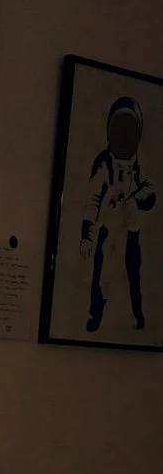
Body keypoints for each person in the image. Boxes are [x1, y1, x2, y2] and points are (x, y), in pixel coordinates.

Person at [81, 96, 156, 334]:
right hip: (108, 226)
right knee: (101, 270)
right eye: (119, 129)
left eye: (129, 130)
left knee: (133, 271)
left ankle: (137, 313)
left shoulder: (140, 163)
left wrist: (136, 200)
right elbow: (92, 199)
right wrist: (87, 234)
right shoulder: (104, 162)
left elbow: (152, 190)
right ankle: (96, 313)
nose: (123, 137)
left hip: (131, 227)